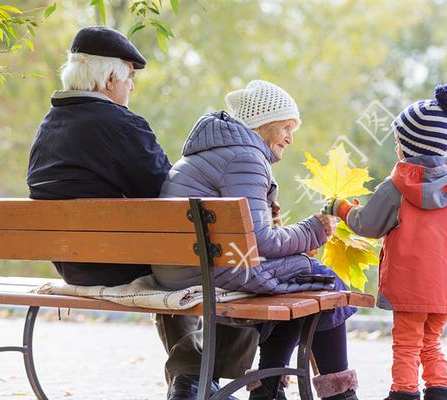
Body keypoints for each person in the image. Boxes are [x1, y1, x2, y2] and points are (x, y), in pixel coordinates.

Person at [26, 26, 258, 400]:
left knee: (172, 258)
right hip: (120, 263)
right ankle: (196, 376)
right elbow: (167, 200)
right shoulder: (122, 125)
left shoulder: (47, 127)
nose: (131, 87)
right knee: (241, 268)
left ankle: (193, 379)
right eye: (130, 77)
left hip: (72, 262)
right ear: (110, 77)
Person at [153, 80, 361, 400]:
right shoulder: (246, 157)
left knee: (301, 280)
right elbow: (261, 242)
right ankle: (336, 395)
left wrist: (300, 239)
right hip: (213, 270)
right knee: (322, 280)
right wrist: (314, 229)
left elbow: (254, 238)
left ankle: (270, 387)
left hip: (179, 268)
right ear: (263, 124)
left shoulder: (210, 151)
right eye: (286, 127)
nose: (291, 138)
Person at [322, 85, 447, 400]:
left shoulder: (395, 187)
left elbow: (367, 224)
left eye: (398, 141)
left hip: (409, 285)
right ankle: (441, 388)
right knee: (430, 340)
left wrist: (341, 208)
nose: (396, 147)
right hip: (446, 286)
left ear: (408, 145)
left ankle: (404, 392)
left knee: (407, 343)